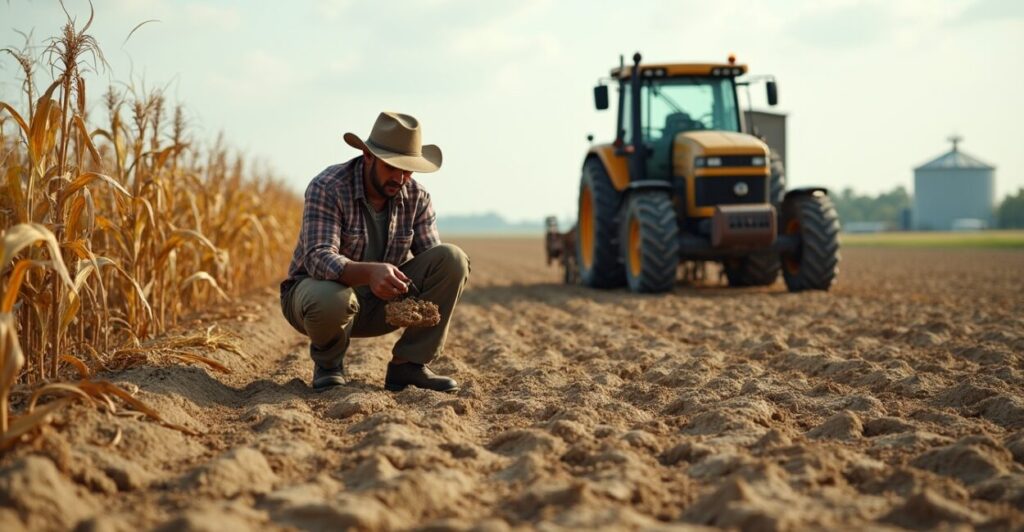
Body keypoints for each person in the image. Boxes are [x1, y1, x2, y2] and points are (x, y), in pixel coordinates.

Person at [280, 111, 469, 393]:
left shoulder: (417, 196)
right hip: (318, 301)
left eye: (408, 169)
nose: (401, 177)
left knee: (452, 260)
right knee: (329, 296)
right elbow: (318, 258)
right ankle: (329, 365)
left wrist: (413, 295)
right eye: (392, 167)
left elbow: (434, 262)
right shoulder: (329, 186)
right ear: (368, 156)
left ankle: (409, 365)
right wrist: (370, 272)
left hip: (382, 306)